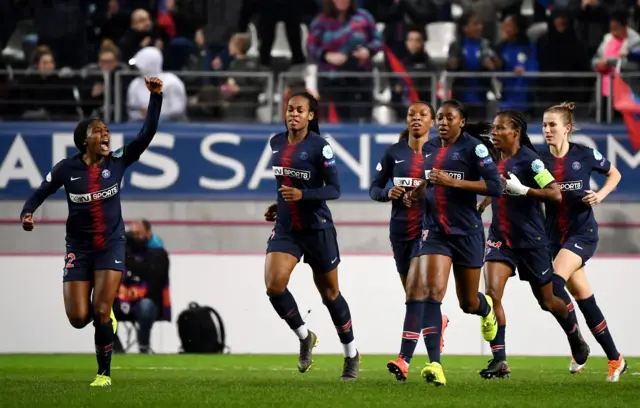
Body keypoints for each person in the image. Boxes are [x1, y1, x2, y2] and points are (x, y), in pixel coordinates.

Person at [20, 76, 163, 387]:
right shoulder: (65, 169)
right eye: (99, 131)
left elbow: (147, 133)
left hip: (111, 245)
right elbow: (39, 193)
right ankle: (104, 320)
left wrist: (155, 98)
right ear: (85, 140)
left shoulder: (119, 161)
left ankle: (104, 374)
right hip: (79, 249)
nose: (105, 135)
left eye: (107, 131)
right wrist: (27, 213)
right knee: (77, 318)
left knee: (100, 310)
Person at [477, 109, 590, 379]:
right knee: (493, 296)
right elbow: (499, 185)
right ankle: (500, 360)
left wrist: (525, 190)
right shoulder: (493, 160)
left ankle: (575, 338)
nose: (494, 132)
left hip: (531, 242)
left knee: (548, 301)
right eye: (493, 128)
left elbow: (554, 195)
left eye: (499, 128)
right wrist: (486, 202)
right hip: (500, 238)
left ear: (515, 133)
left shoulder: (531, 162)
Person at [402, 100, 503, 386]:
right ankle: (435, 363)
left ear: (462, 122)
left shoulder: (475, 149)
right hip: (435, 231)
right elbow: (431, 181)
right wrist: (417, 193)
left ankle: (486, 311)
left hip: (468, 232)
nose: (444, 122)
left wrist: (455, 183)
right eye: (441, 118)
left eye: (450, 118)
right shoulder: (431, 148)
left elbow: (495, 186)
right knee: (433, 292)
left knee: (468, 302)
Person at [263, 91, 360, 381]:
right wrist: (277, 204)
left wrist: (302, 195)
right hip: (287, 228)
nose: (293, 114)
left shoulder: (320, 147)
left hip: (317, 228)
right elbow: (286, 183)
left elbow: (335, 189)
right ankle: (305, 336)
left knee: (330, 295)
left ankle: (351, 354)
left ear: (310, 116)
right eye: (290, 109)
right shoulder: (276, 142)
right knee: (274, 286)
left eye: (299, 110)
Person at [539, 102, 626, 382]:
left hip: (582, 234)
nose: (547, 130)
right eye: (544, 125)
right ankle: (616, 358)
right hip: (554, 238)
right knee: (585, 301)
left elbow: (615, 174)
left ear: (567, 128)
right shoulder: (539, 161)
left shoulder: (585, 155)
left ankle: (578, 346)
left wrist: (600, 195)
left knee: (552, 286)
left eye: (553, 125)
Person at [369, 101, 449, 381]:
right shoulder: (394, 153)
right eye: (411, 114)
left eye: (423, 115)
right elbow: (374, 189)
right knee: (415, 296)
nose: (416, 118)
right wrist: (388, 192)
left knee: (416, 293)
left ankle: (406, 360)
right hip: (400, 231)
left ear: (432, 122)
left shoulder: (439, 153)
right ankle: (438, 323)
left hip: (428, 232)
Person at [114, 220, 170, 354]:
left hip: (147, 301)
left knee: (146, 306)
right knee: (100, 306)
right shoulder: (123, 252)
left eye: (138, 233)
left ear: (148, 233)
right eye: (132, 234)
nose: (134, 237)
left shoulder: (159, 254)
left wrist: (134, 294)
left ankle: (143, 345)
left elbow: (153, 283)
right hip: (123, 299)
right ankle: (115, 346)